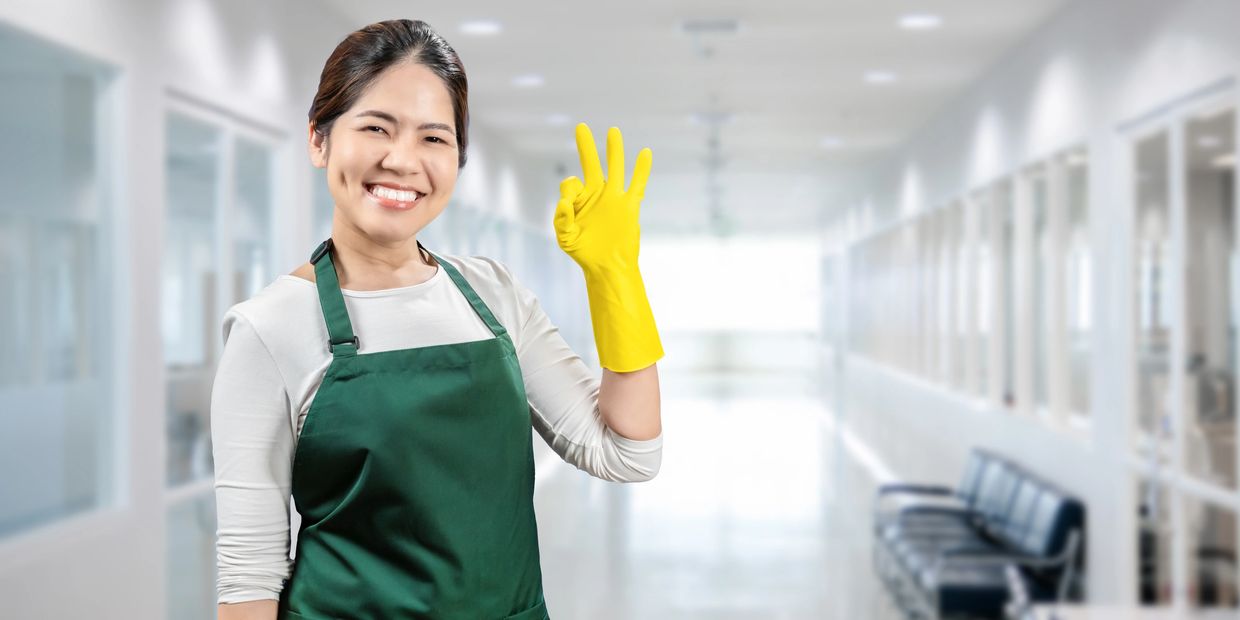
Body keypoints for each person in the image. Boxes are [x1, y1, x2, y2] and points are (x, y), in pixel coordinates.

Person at [211, 18, 665, 620]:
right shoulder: (269, 329)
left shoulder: (494, 295)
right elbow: (249, 574)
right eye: (376, 127)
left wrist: (616, 280)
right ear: (319, 139)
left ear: (457, 159)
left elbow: (626, 454)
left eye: (434, 138)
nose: (403, 160)